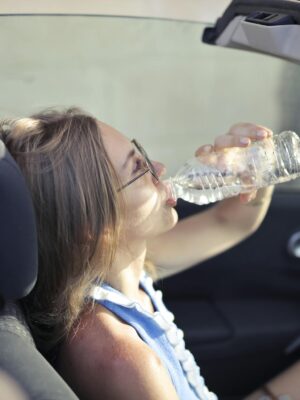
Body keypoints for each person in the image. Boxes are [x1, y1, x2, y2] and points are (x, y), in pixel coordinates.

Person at [0, 108, 274, 400]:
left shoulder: (121, 264)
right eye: (139, 168)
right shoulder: (123, 358)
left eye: (141, 153)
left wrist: (256, 167)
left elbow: (231, 223)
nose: (159, 168)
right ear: (94, 225)